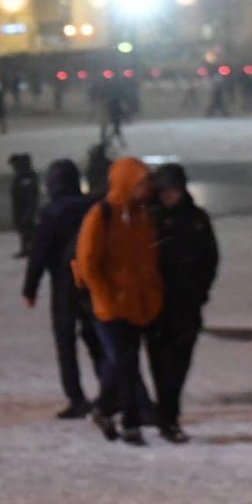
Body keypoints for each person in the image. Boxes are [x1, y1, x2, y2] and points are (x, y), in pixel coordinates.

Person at [72, 157, 163, 446]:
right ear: (127, 184)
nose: (147, 190)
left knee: (121, 361)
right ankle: (131, 423)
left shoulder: (140, 216)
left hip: (135, 303)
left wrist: (150, 294)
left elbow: (147, 260)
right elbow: (88, 262)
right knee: (127, 361)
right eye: (141, 184)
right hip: (109, 305)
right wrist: (105, 294)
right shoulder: (101, 215)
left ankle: (102, 408)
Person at [22, 159, 107, 419]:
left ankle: (76, 396)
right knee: (97, 337)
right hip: (92, 281)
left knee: (65, 341)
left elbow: (40, 252)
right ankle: (109, 388)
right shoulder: (93, 206)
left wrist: (30, 288)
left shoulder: (52, 212)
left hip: (64, 284)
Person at [147, 163, 218, 444]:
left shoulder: (197, 219)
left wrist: (200, 291)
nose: (168, 195)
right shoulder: (149, 218)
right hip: (156, 306)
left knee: (179, 363)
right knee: (159, 363)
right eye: (164, 190)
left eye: (173, 190)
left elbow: (210, 259)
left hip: (186, 305)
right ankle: (165, 415)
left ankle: (169, 413)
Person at [7, 154, 40, 260]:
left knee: (28, 229)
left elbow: (31, 196)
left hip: (24, 207)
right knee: (23, 229)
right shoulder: (21, 174)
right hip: (19, 206)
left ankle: (31, 248)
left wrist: (30, 211)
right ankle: (27, 248)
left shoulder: (26, 175)